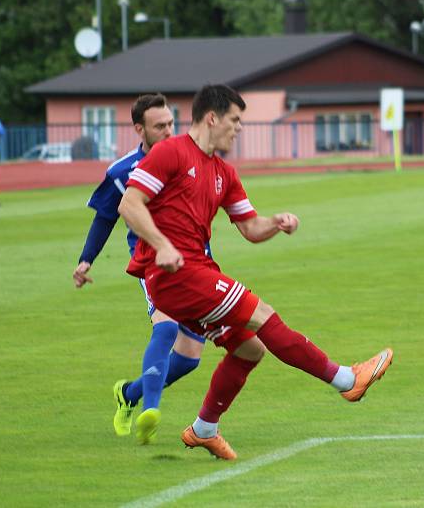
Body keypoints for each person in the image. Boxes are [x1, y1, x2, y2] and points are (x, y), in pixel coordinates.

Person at [118, 84, 393, 460]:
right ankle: (347, 379)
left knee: (250, 348)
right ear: (212, 118)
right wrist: (162, 244)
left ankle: (204, 429)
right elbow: (129, 203)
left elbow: (250, 228)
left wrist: (276, 223)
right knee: (262, 314)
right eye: (235, 120)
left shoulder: (224, 172)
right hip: (176, 275)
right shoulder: (171, 152)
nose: (239, 128)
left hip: (196, 271)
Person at [72, 93, 254, 445]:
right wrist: (86, 259)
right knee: (166, 328)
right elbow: (107, 217)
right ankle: (150, 411)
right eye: (160, 126)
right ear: (139, 129)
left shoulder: (192, 156)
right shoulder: (123, 171)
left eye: (171, 123)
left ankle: (129, 393)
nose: (168, 131)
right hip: (153, 264)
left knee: (189, 359)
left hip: (197, 265)